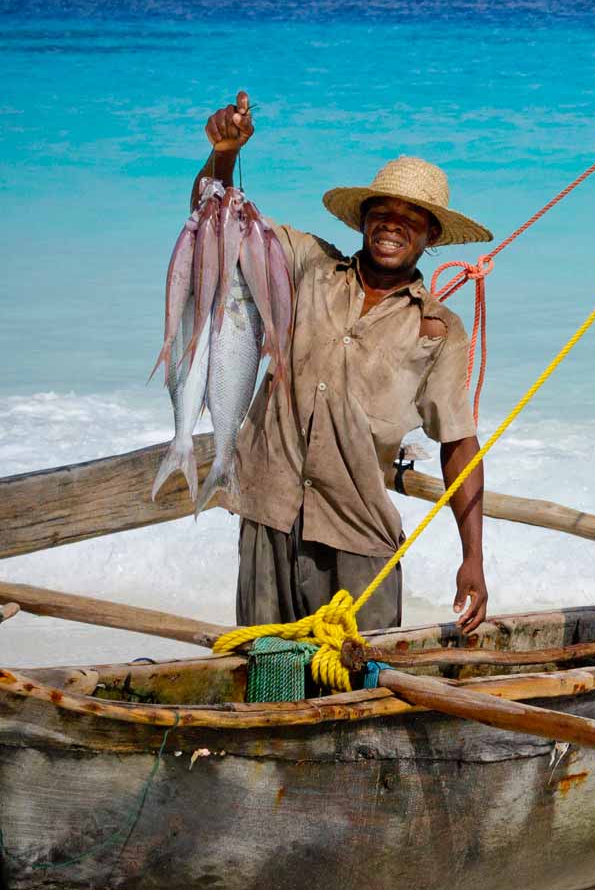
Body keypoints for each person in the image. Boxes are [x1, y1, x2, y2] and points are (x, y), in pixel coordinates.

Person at [195, 91, 492, 636]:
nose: (392, 225)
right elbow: (216, 220)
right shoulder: (309, 265)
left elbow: (458, 442)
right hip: (269, 511)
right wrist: (225, 154)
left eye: (411, 219)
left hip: (358, 535)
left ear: (430, 236)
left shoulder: (439, 329)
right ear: (363, 220)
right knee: (268, 681)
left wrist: (472, 557)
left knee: (355, 693)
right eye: (382, 213)